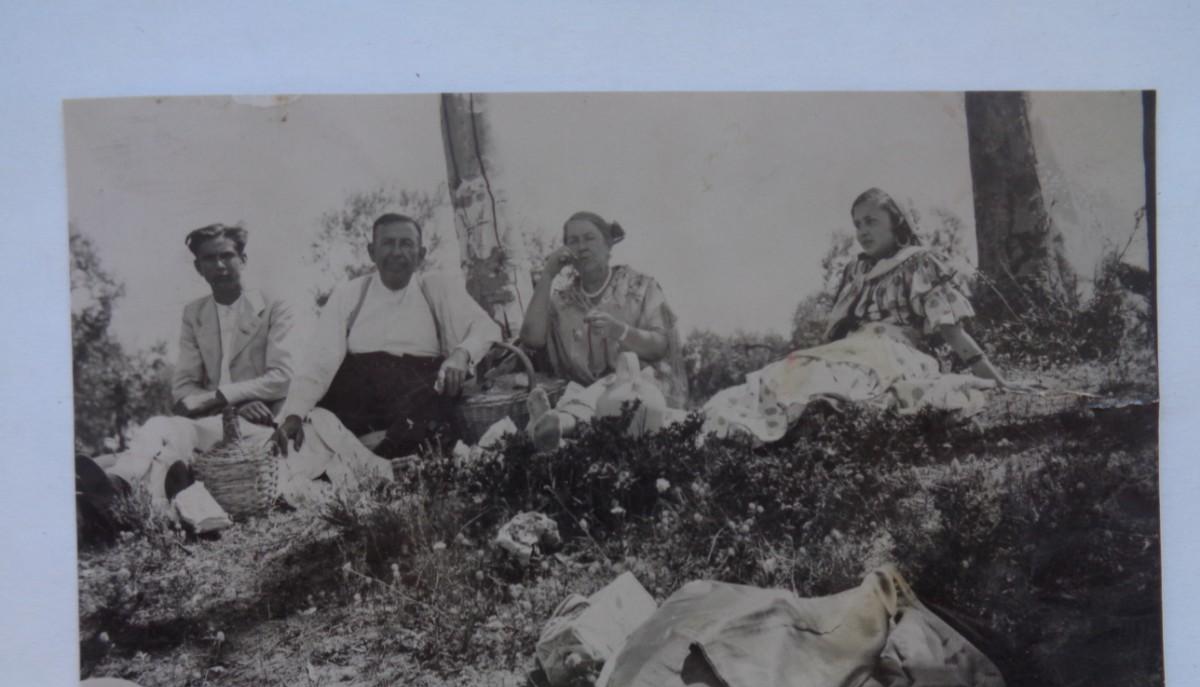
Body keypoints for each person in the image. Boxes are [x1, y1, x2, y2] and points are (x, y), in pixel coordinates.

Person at [700, 188, 1021, 443]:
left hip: (897, 351)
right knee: (794, 372)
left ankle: (817, 421)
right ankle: (764, 425)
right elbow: (841, 332)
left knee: (847, 384)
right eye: (857, 224)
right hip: (856, 347)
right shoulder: (856, 271)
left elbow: (952, 331)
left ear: (896, 223)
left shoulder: (919, 263)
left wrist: (996, 380)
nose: (862, 231)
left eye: (871, 221)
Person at [83, 223, 300, 508]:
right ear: (198, 268)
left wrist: (219, 396)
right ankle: (118, 484)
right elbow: (184, 390)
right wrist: (231, 407)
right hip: (213, 423)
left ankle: (115, 489)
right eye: (209, 259)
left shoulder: (273, 305)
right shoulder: (195, 313)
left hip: (261, 424)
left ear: (243, 260)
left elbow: (282, 376)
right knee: (162, 431)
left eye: (227, 255)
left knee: (166, 445)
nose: (219, 265)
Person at [273, 213, 501, 460]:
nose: (397, 252)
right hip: (359, 404)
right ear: (372, 252)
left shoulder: (434, 288)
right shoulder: (349, 295)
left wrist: (461, 354)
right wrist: (294, 413)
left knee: (432, 414)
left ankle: (386, 450)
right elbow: (320, 360)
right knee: (313, 432)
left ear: (421, 254)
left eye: (406, 244)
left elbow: (486, 328)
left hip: (419, 399)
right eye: (388, 243)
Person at [518, 211, 689, 449]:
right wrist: (547, 275)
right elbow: (532, 338)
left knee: (611, 388)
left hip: (643, 388)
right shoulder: (563, 300)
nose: (582, 247)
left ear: (609, 246)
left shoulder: (641, 286)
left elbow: (660, 345)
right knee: (584, 394)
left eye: (589, 238)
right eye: (573, 241)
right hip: (586, 391)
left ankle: (559, 423)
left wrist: (620, 331)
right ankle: (552, 429)